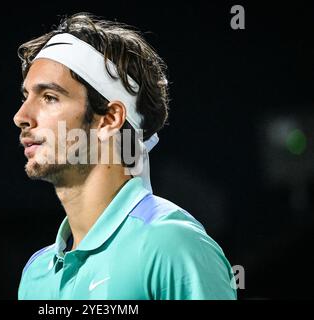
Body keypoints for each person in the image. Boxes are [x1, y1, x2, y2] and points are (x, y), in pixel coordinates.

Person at [14, 12, 237, 300]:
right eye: (26, 97)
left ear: (109, 118)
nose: (21, 116)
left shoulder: (172, 245)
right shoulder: (36, 273)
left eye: (50, 97)